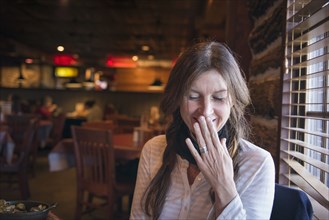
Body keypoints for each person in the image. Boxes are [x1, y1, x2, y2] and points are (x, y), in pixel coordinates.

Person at [130, 41, 275, 219]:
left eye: (219, 98)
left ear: (233, 101)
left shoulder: (258, 163)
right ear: (177, 100)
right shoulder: (153, 150)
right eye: (193, 96)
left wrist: (224, 186)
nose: (206, 111)